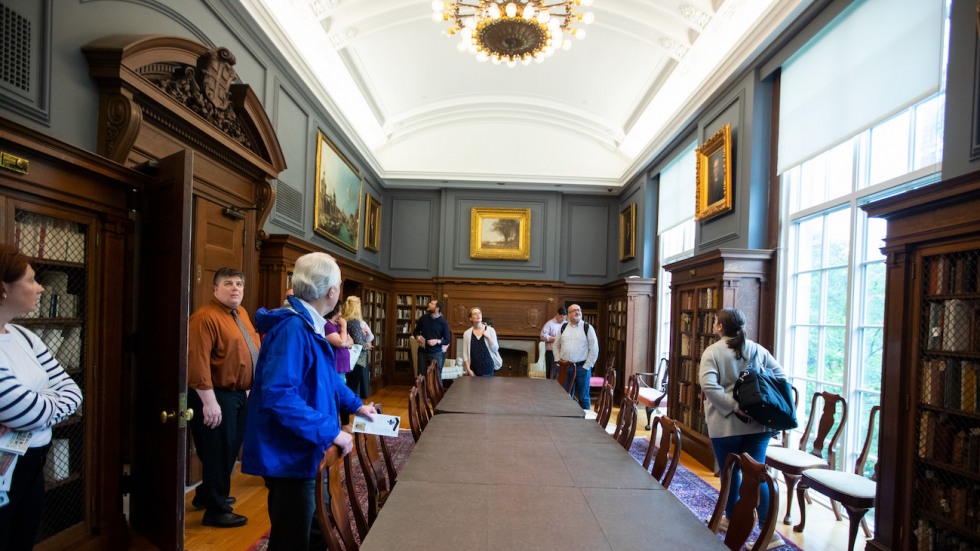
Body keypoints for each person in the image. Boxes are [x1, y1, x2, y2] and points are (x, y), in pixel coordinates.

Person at [242, 252, 376, 551]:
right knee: (292, 539)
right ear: (332, 292)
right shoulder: (293, 328)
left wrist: (356, 405)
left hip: (306, 449)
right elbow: (280, 396)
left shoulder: (309, 323)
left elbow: (325, 380)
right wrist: (331, 432)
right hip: (290, 455)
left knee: (317, 531)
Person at [0, 245, 82, 551]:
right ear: (4, 289)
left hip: (32, 463)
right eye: (32, 280)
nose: (41, 287)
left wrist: (37, 404)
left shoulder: (24, 335)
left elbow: (73, 392)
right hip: (4, 467)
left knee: (24, 539)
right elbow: (25, 412)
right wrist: (42, 401)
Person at [699, 307, 787, 550]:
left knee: (731, 474)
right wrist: (761, 402)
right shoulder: (757, 349)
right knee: (757, 476)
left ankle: (732, 517)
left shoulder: (713, 352)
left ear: (719, 326)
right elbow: (780, 377)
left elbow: (709, 386)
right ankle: (768, 532)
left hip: (725, 425)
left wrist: (736, 406)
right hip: (758, 426)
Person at [187, 267, 260, 528]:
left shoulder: (239, 313)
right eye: (228, 283)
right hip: (216, 395)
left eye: (239, 283)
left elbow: (247, 350)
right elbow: (197, 363)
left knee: (228, 451)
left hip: (239, 394)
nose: (235, 288)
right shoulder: (204, 318)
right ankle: (216, 511)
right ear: (215, 289)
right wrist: (209, 402)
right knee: (219, 452)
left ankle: (207, 494)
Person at [552, 304, 598, 410]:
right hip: (565, 367)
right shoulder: (563, 327)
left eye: (579, 310)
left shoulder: (587, 327)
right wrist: (558, 361)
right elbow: (556, 346)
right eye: (574, 310)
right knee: (564, 396)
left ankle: (585, 424)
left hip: (582, 368)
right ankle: (565, 421)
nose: (577, 312)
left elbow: (594, 349)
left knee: (583, 397)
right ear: (568, 314)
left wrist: (587, 366)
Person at [341, 296, 373, 399]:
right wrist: (367, 345)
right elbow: (359, 341)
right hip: (357, 360)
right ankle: (346, 414)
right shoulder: (354, 321)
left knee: (349, 387)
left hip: (349, 359)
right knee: (351, 389)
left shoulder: (346, 320)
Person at [413, 299, 451, 380]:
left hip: (436, 353)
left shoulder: (443, 322)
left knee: (436, 378)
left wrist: (437, 341)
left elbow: (447, 340)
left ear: (437, 309)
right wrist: (417, 337)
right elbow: (415, 331)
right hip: (422, 352)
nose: (429, 304)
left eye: (432, 303)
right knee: (421, 376)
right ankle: (422, 393)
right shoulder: (423, 318)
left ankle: (437, 393)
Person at [461, 307, 499, 377]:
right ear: (470, 318)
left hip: (488, 368)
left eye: (479, 313)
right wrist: (469, 370)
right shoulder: (467, 333)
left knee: (487, 388)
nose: (478, 315)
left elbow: (495, 349)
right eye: (475, 313)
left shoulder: (491, 330)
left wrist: (488, 337)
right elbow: (465, 353)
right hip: (473, 369)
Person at [539, 306, 567, 379]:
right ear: (557, 314)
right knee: (550, 374)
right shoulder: (549, 323)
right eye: (561, 317)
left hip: (564, 353)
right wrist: (556, 339)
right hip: (551, 353)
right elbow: (542, 336)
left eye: (564, 318)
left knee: (562, 374)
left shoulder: (566, 324)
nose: (563, 320)